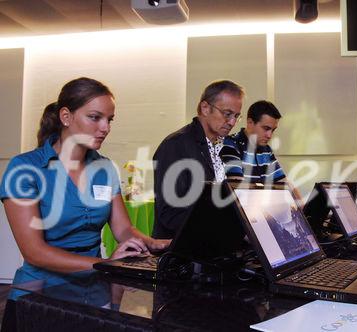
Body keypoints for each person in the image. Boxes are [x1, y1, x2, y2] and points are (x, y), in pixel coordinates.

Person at [0, 77, 169, 330]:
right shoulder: (25, 168)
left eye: (109, 119)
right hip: (40, 296)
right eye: (95, 117)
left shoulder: (105, 168)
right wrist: (106, 265)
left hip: (95, 292)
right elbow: (34, 252)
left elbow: (123, 229)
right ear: (66, 116)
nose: (105, 128)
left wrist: (153, 243)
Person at [153, 80, 244, 239]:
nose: (232, 122)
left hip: (209, 244)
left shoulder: (223, 146)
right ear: (205, 108)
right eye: (227, 114)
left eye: (236, 116)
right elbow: (170, 214)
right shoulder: (176, 145)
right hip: (181, 251)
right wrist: (223, 227)